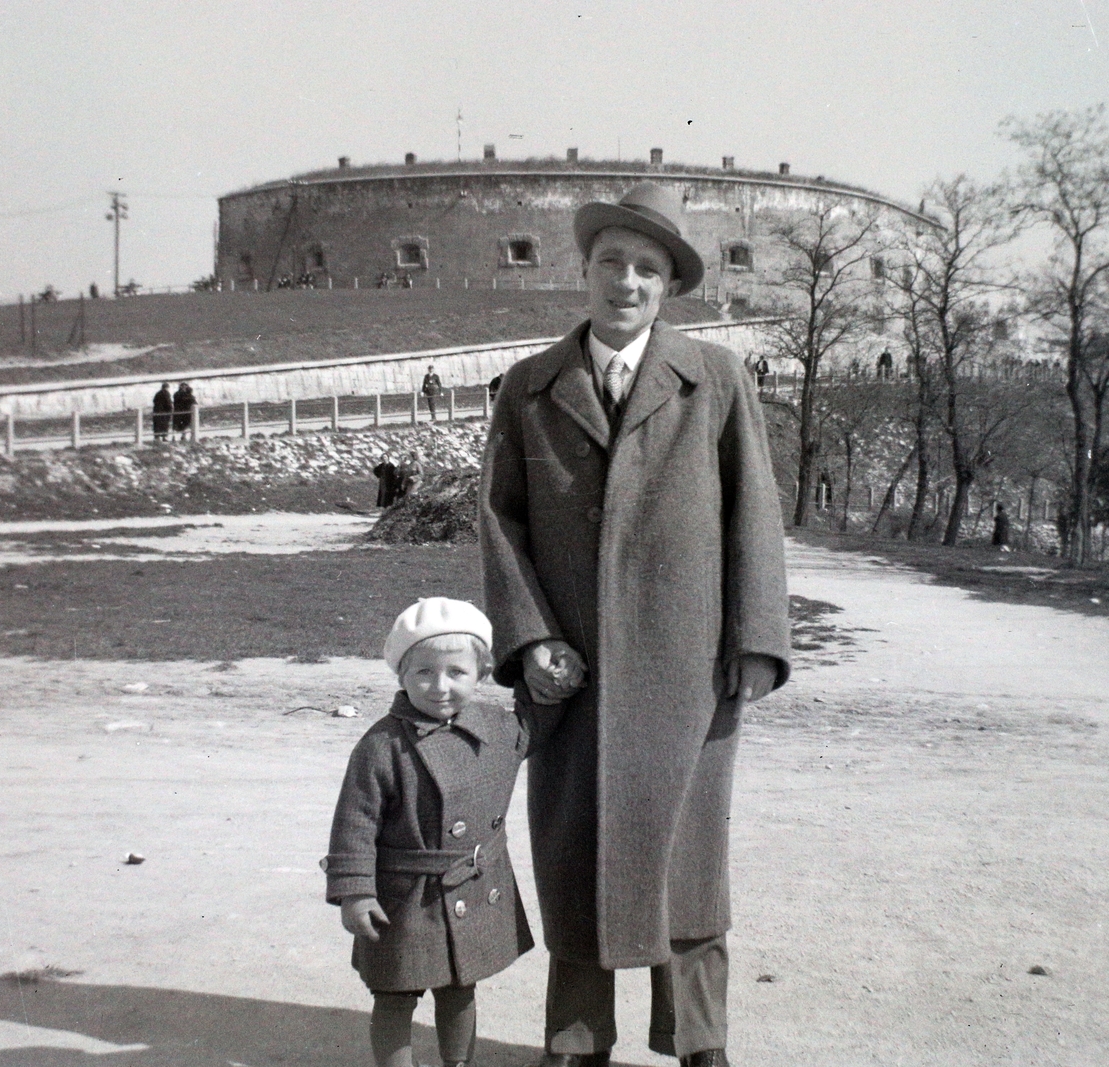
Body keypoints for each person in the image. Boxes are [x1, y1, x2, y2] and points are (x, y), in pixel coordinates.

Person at [480, 182, 791, 1067]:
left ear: (669, 286)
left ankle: (701, 1040)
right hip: (570, 676)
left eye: (647, 268)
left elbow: (754, 516)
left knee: (690, 867)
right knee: (575, 859)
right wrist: (529, 638)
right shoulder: (530, 387)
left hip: (687, 673)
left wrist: (757, 641)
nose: (627, 280)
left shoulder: (716, 380)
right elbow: (500, 522)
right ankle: (576, 1042)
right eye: (611, 262)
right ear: (584, 272)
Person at [324, 598, 533, 1067]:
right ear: (402, 675)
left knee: (460, 986)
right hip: (404, 896)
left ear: (481, 672)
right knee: (395, 993)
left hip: (470, 886)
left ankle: (457, 1063)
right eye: (423, 673)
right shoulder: (382, 745)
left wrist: (542, 668)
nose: (440, 688)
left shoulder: (499, 729)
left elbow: (545, 719)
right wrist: (355, 892)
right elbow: (353, 826)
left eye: (456, 673)